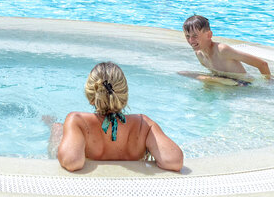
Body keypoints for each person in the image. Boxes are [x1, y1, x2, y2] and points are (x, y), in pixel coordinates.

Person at [55, 62, 183, 172]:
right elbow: (174, 161)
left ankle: (56, 128)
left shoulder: (78, 122)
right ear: (124, 96)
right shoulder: (143, 125)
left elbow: (71, 162)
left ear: (91, 96)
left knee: (57, 131)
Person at [182, 15, 270, 83]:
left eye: (195, 36)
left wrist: (269, 84)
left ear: (209, 35)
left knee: (195, 76)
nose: (191, 41)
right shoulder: (199, 54)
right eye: (187, 36)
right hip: (228, 85)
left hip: (244, 85)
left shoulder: (222, 50)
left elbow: (263, 64)